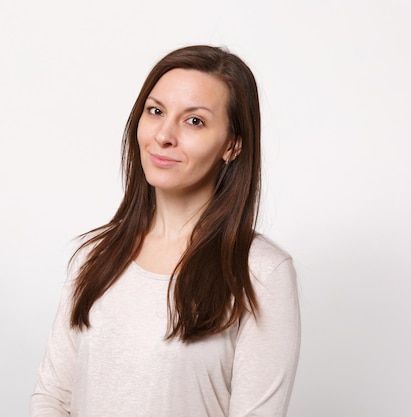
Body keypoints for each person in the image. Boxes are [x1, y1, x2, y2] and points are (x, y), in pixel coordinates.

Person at [31, 45, 300, 417]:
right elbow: (53, 397)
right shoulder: (95, 257)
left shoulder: (260, 272)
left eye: (195, 121)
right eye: (155, 111)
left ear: (233, 145)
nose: (163, 136)